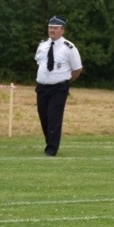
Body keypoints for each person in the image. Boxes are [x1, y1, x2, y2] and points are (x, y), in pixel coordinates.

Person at [34, 16, 83, 156]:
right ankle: (50, 142)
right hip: (42, 87)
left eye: (55, 28)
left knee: (54, 117)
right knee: (44, 117)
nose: (52, 30)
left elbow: (77, 69)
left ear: (62, 30)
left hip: (58, 88)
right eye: (50, 27)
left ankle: (51, 149)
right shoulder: (43, 45)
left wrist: (66, 82)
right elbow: (40, 63)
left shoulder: (69, 47)